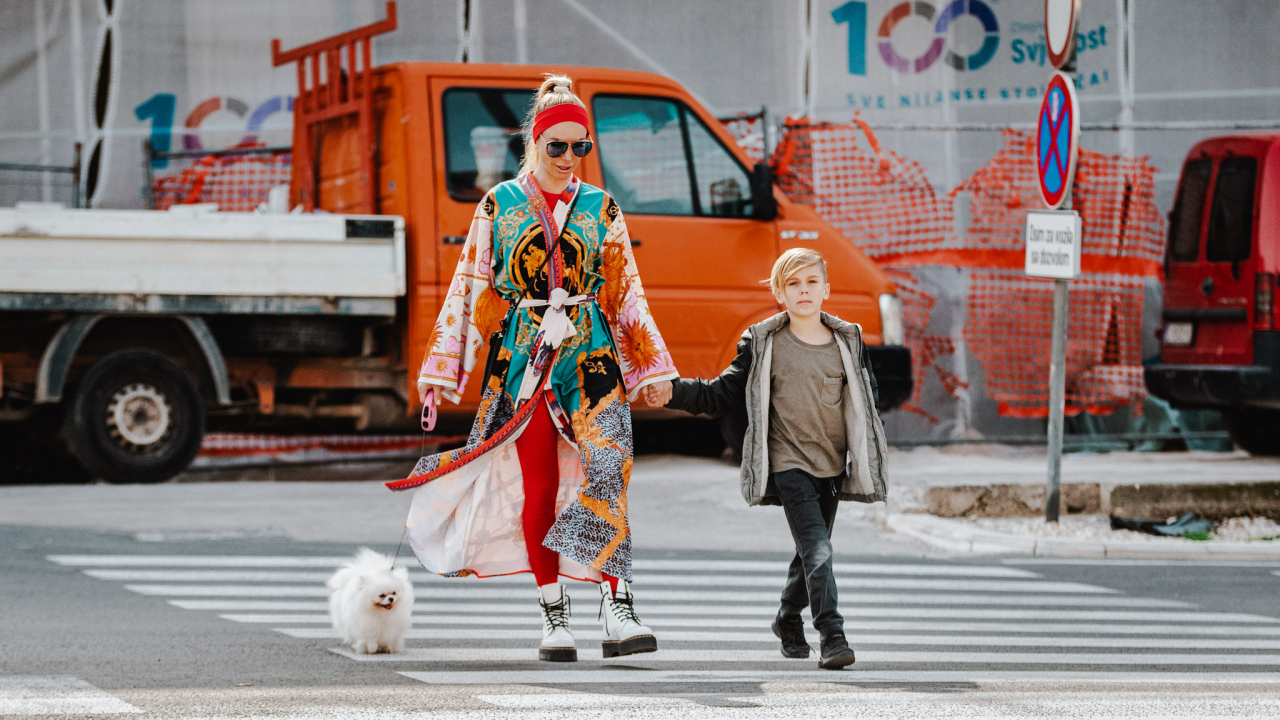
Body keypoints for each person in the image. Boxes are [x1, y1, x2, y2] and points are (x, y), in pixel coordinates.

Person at [387, 75, 678, 663]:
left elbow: (627, 290)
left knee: (610, 466)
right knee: (540, 486)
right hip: (525, 356)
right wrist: (442, 370)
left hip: (591, 353)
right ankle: (554, 616)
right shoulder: (498, 204)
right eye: (557, 146)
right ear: (534, 144)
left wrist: (651, 369)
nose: (570, 158)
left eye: (580, 146)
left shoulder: (603, 207)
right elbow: (469, 286)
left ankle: (617, 606)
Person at [660, 248, 889, 670]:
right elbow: (721, 394)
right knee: (818, 548)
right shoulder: (764, 343)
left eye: (811, 282)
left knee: (811, 551)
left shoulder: (848, 342)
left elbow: (866, 403)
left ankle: (787, 617)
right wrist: (673, 392)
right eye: (793, 284)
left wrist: (869, 450)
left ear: (826, 289)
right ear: (780, 294)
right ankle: (833, 635)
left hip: (831, 466)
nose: (804, 291)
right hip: (788, 464)